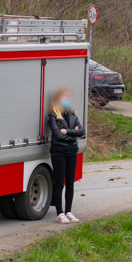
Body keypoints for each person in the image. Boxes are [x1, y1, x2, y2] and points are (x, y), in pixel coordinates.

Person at [47, 88, 85, 224]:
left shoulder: (72, 114)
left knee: (70, 183)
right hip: (59, 152)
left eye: (68, 97)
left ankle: (69, 211)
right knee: (59, 183)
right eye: (65, 97)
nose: (67, 99)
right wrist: (73, 135)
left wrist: (67, 132)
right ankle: (59, 213)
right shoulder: (53, 116)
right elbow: (58, 135)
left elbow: (81, 131)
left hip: (72, 152)